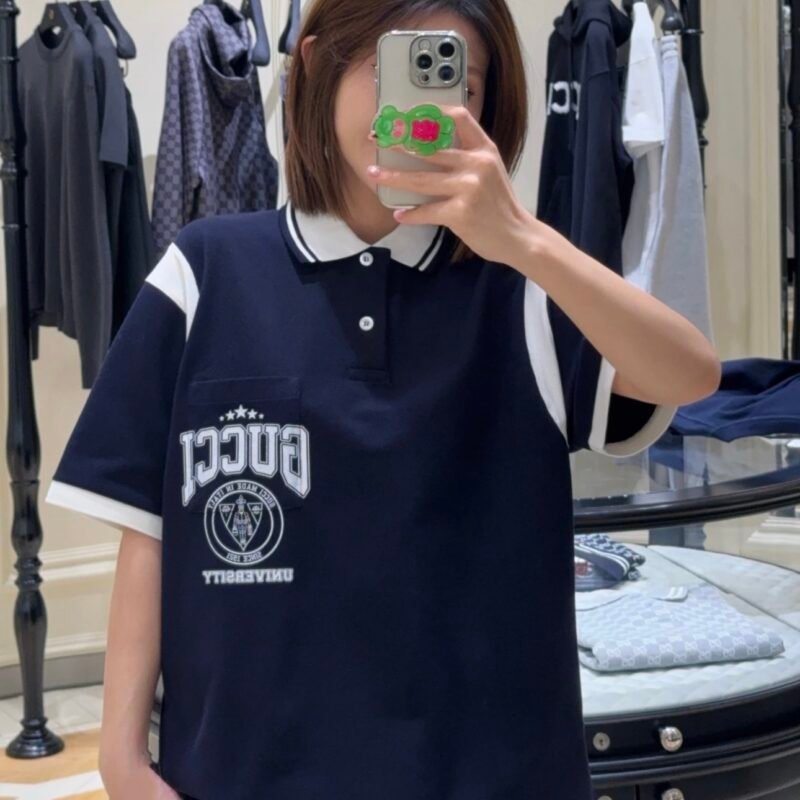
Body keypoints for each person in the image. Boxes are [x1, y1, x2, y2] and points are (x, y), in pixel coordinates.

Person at [45, 0, 721, 798]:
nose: (421, 103)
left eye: (458, 79)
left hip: (491, 774)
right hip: (245, 771)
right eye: (391, 65)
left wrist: (523, 239)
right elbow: (148, 527)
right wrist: (122, 759)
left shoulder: (523, 290)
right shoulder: (205, 273)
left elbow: (689, 373)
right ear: (318, 65)